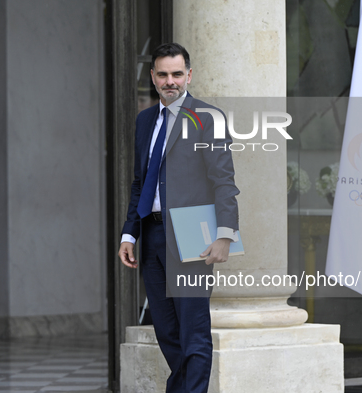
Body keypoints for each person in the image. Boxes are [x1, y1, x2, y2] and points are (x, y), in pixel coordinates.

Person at [118, 43, 239, 393]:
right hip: (152, 236)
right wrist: (129, 234)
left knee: (193, 330)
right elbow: (140, 181)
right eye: (162, 74)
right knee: (167, 332)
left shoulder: (208, 118)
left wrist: (225, 234)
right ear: (153, 78)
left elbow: (224, 181)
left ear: (188, 74)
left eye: (176, 74)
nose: (170, 81)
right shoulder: (144, 120)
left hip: (192, 238)